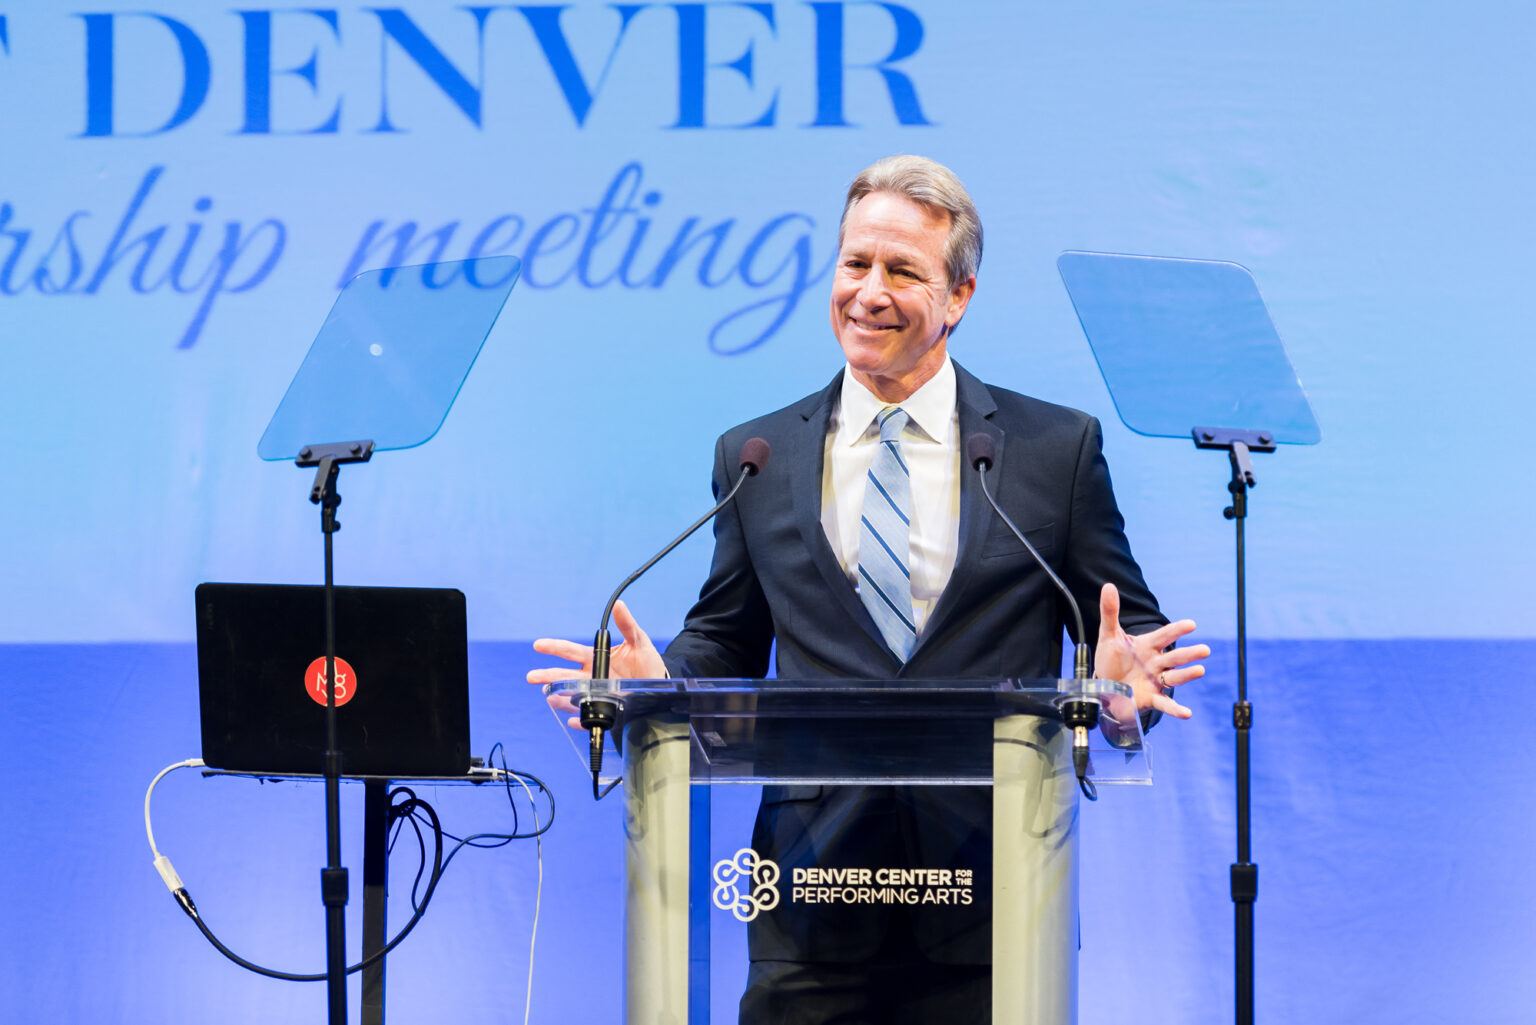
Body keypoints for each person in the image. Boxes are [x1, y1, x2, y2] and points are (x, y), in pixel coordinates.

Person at [529, 155, 1208, 1023]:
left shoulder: (1052, 450)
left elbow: (1126, 638)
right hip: (811, 892)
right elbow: (728, 637)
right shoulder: (756, 456)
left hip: (996, 895)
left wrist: (1120, 698)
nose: (869, 292)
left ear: (959, 295)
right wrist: (655, 682)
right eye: (855, 264)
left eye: (902, 271)